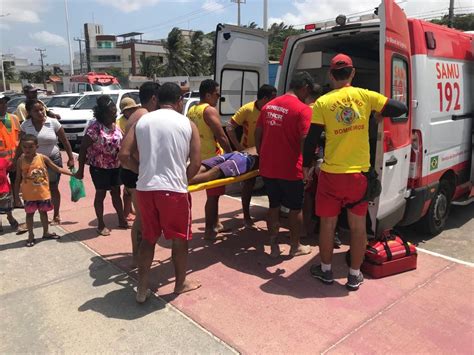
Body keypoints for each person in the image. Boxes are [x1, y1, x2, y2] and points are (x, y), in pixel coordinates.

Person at [303, 53, 408, 291]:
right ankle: (354, 275)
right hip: (358, 177)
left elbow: (310, 141)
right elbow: (400, 107)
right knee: (358, 227)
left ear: (331, 75)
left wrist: (307, 166)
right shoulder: (365, 96)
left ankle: (326, 271)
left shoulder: (322, 102)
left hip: (331, 175)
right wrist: (379, 114)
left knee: (328, 225)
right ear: (352, 73)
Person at [120, 82, 201, 302]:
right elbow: (196, 163)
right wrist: (181, 180)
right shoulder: (187, 123)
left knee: (149, 238)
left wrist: (143, 172)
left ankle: (142, 288)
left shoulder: (141, 121)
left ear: (158, 98)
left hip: (146, 189)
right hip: (174, 191)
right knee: (179, 240)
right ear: (179, 101)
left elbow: (124, 156)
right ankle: (180, 283)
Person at [255, 72, 314, 258]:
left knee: (273, 206)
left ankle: (273, 245)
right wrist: (307, 166)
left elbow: (258, 132)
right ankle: (295, 246)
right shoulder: (303, 109)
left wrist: (261, 153)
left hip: (268, 167)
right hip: (290, 169)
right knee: (295, 208)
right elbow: (306, 138)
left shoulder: (269, 106)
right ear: (304, 87)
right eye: (308, 91)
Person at [119, 82, 161, 263]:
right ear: (154, 98)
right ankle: (138, 257)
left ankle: (137, 255)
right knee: (143, 219)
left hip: (132, 173)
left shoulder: (139, 114)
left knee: (142, 217)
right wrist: (143, 170)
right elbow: (128, 152)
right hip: (135, 173)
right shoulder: (143, 116)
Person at [16, 99, 75, 225]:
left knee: (53, 187)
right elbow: (20, 145)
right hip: (32, 163)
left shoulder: (53, 122)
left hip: (52, 160)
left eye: (41, 109)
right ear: (30, 112)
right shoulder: (25, 125)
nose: (40, 112)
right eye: (36, 110)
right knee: (38, 188)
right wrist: (15, 160)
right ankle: (43, 214)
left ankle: (56, 215)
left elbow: (65, 141)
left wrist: (70, 158)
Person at [225, 84, 277, 228]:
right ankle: (247, 216)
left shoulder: (273, 111)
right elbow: (230, 127)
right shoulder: (247, 109)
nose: (275, 101)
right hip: (250, 154)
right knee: (249, 184)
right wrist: (239, 148)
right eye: (273, 98)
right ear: (265, 98)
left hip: (268, 153)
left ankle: (272, 214)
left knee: (271, 184)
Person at [76, 95, 127, 236]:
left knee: (116, 192)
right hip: (99, 168)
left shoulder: (115, 126)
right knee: (101, 194)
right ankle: (101, 224)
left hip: (116, 167)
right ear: (104, 113)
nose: (115, 114)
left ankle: (121, 219)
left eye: (115, 111)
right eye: (112, 112)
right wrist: (80, 170)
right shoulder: (94, 128)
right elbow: (82, 149)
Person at [187, 79, 232, 240]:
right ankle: (209, 229)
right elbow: (221, 136)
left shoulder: (192, 110)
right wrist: (230, 154)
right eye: (217, 95)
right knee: (213, 196)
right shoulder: (209, 110)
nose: (218, 98)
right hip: (213, 159)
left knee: (214, 194)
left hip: (199, 158)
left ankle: (216, 223)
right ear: (208, 94)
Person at [13, 135, 72, 247]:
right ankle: (31, 235)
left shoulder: (42, 158)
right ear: (21, 147)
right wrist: (16, 197)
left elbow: (57, 168)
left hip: (43, 193)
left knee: (43, 213)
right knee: (29, 215)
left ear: (37, 146)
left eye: (31, 147)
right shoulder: (21, 160)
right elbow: (17, 180)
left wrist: (73, 174)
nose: (27, 149)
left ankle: (46, 232)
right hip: (28, 195)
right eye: (25, 147)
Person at [116, 97, 140, 223]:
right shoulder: (120, 123)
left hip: (134, 156)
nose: (131, 111)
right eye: (129, 110)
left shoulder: (134, 119)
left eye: (133, 109)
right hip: (126, 159)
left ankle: (131, 209)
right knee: (127, 189)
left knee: (133, 188)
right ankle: (127, 211)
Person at [189, 147, 258, 185]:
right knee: (213, 171)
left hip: (242, 154)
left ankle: (182, 180)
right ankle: (183, 181)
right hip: (246, 158)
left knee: (212, 169)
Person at [0, 157, 18, 232]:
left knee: (7, 207)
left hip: (4, 189)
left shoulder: (3, 161)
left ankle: (10, 217)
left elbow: (12, 168)